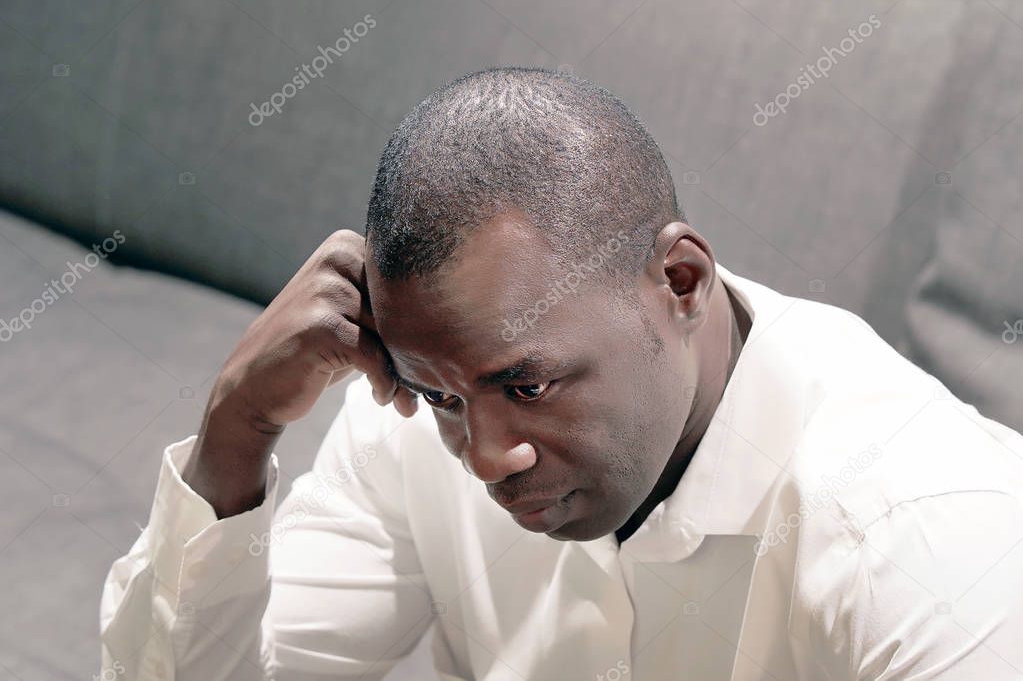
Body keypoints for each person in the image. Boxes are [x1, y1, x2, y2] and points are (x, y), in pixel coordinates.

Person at [100, 67, 1023, 680]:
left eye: (527, 386)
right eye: (442, 397)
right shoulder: (418, 418)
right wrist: (236, 431)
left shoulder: (923, 537)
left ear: (678, 281)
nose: (485, 457)